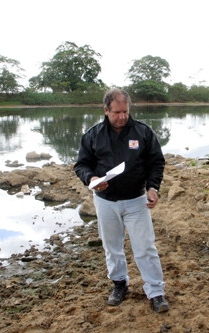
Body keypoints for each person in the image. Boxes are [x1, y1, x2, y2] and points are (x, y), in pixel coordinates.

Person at [74, 88, 169, 313]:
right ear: (106, 110)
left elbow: (157, 162)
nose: (122, 116)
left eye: (125, 111)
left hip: (137, 200)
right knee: (112, 246)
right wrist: (93, 178)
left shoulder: (143, 132)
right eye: (117, 112)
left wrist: (153, 188)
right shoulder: (93, 135)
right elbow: (81, 165)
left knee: (145, 247)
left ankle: (156, 291)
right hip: (105, 201)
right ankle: (120, 285)